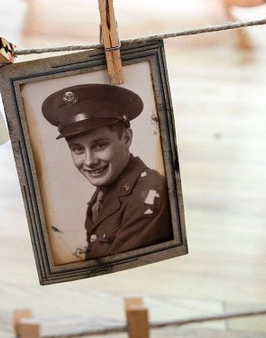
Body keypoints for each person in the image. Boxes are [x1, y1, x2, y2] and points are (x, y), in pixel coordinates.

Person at [41, 83, 173, 259]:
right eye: (78, 149)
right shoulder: (106, 191)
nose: (89, 161)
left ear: (126, 138)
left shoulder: (149, 194)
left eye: (100, 145)